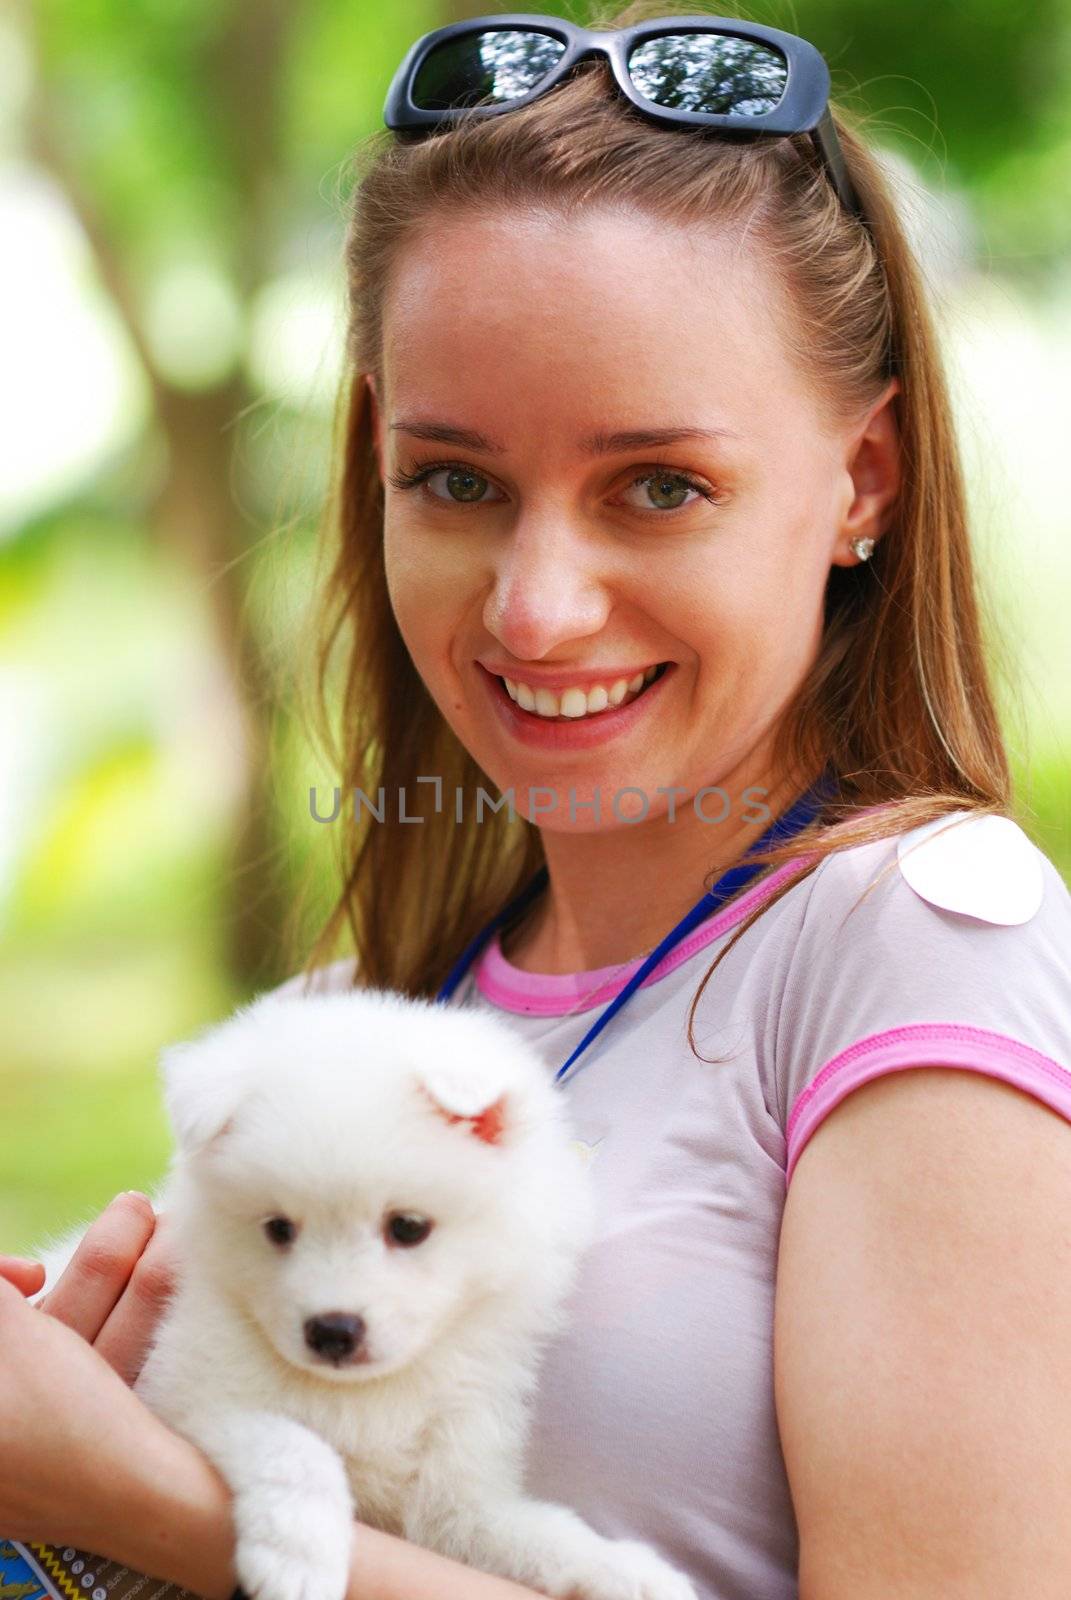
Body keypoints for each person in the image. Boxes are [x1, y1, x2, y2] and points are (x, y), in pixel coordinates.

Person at [4, 5, 1071, 1598]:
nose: (535, 610)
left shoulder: (911, 941)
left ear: (863, 481)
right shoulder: (356, 1021)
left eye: (659, 486)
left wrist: (155, 1498)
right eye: (457, 479)